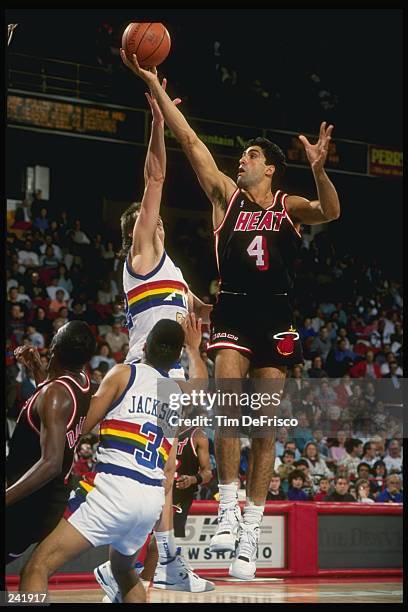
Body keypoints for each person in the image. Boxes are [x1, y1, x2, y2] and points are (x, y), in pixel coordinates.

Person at [121, 49, 340, 581]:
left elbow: (331, 210)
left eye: (248, 156)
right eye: (240, 156)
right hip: (235, 310)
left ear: (269, 166)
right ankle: (226, 503)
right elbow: (191, 142)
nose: (240, 161)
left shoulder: (288, 207)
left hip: (278, 314)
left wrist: (319, 171)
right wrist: (152, 83)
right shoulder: (226, 198)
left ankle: (251, 527)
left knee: (264, 425)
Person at [94, 80, 213, 597]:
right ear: (139, 230)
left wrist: (209, 306)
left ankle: (136, 567)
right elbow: (156, 175)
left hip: (175, 373)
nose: (156, 217)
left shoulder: (175, 272)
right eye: (148, 217)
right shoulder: (141, 257)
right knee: (159, 475)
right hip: (149, 373)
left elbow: (198, 312)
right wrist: (160, 124)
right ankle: (163, 563)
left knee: (162, 475)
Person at [18, 316, 207, 603]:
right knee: (123, 570)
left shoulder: (123, 374)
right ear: (175, 356)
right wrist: (193, 349)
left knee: (37, 566)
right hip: (150, 501)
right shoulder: (176, 393)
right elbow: (200, 386)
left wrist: (44, 382)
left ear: (144, 346)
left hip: (116, 490)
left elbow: (80, 424)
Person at [6, 320, 95, 564]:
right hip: (49, 498)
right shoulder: (81, 381)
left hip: (29, 505)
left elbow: (51, 463)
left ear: (53, 346)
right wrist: (37, 368)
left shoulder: (55, 395)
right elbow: (50, 406)